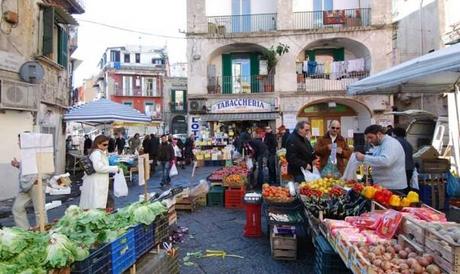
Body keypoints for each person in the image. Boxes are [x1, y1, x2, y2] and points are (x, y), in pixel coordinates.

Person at [11, 133, 49, 229]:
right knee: (17, 208)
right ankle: (26, 231)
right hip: (24, 186)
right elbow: (29, 168)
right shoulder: (26, 153)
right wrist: (18, 165)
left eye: (20, 140)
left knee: (39, 211)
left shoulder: (40, 152)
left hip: (36, 185)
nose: (18, 143)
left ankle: (44, 233)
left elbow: (49, 169)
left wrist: (38, 179)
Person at [356, 125, 408, 192]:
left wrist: (364, 158)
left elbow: (385, 161)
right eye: (367, 138)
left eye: (371, 137)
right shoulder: (380, 144)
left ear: (379, 134)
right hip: (383, 186)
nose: (369, 141)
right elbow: (375, 160)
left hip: (392, 188)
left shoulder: (390, 143)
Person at [80, 135, 120, 210]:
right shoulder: (96, 153)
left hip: (98, 181)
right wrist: (115, 168)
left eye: (107, 144)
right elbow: (98, 167)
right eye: (104, 144)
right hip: (97, 181)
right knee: (99, 202)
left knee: (102, 200)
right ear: (98, 144)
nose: (106, 146)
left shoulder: (98, 152)